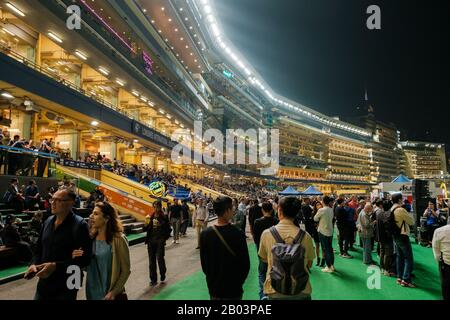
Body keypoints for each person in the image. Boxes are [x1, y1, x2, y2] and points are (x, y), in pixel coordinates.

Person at [24, 189, 92, 300]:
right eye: (52, 199)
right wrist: (33, 264)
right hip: (45, 284)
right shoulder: (47, 221)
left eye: (58, 200)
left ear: (71, 203)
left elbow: (85, 259)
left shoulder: (80, 225)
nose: (52, 203)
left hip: (67, 284)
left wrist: (56, 266)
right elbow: (39, 249)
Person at [258, 197, 315, 300]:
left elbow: (263, 258)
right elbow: (309, 263)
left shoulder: (267, 234)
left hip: (274, 289)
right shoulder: (306, 236)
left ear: (279, 210)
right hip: (301, 289)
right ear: (297, 212)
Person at [72, 202, 130, 300]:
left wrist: (114, 292)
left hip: (111, 295)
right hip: (92, 294)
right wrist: (77, 258)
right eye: (92, 213)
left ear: (107, 218)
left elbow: (126, 270)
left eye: (96, 214)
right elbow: (87, 268)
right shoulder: (90, 239)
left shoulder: (118, 239)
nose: (91, 216)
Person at [200, 196, 250, 300]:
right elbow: (245, 264)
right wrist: (238, 282)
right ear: (227, 211)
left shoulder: (205, 234)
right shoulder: (238, 234)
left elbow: (204, 264)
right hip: (233, 288)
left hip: (214, 288)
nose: (233, 211)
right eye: (232, 208)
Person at [253, 202, 278, 300]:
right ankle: (272, 291)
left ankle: (263, 294)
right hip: (274, 250)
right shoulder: (276, 221)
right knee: (274, 271)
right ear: (272, 210)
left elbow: (256, 238)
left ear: (262, 210)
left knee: (262, 272)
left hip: (261, 249)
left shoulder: (257, 222)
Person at [391, 193, 416, 288]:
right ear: (399, 200)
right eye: (402, 198)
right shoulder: (400, 209)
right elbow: (412, 221)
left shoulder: (392, 208)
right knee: (409, 259)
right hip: (402, 235)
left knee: (400, 257)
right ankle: (406, 280)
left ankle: (400, 277)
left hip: (396, 235)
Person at [144, 201, 170, 286]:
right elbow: (146, 229)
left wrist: (161, 225)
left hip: (160, 240)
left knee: (160, 258)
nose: (156, 209)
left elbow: (168, 229)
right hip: (151, 241)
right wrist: (146, 224)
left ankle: (162, 274)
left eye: (157, 207)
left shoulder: (164, 217)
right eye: (154, 207)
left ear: (160, 207)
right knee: (151, 261)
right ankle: (153, 279)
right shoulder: (150, 217)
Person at [314, 196, 335, 272]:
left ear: (323, 201)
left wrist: (318, 210)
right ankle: (332, 265)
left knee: (325, 250)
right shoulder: (331, 209)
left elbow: (315, 218)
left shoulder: (321, 210)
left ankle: (328, 267)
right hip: (330, 231)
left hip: (323, 232)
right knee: (330, 249)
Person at [377, 200, 396, 276]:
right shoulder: (389, 214)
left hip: (380, 236)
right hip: (387, 236)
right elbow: (389, 226)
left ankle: (382, 267)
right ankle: (386, 269)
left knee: (382, 252)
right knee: (387, 253)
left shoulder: (378, 212)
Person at [432, 222, 450, 300]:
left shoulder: (439, 231)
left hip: (446, 264)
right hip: (446, 263)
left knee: (446, 286)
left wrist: (439, 260)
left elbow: (436, 248)